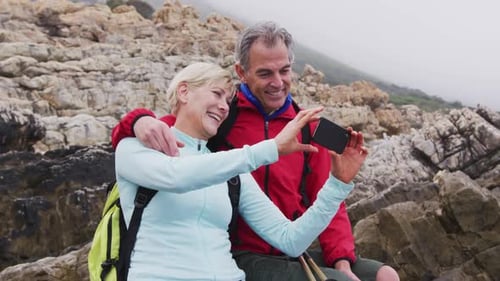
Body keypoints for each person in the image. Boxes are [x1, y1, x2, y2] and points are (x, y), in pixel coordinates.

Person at [112, 22, 400, 281]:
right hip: (244, 254)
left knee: (384, 275)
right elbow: (174, 145)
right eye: (265, 73)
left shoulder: (305, 128)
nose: (277, 82)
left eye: (284, 70)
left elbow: (302, 224)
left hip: (281, 248)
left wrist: (341, 253)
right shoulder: (222, 123)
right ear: (242, 72)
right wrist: (136, 120)